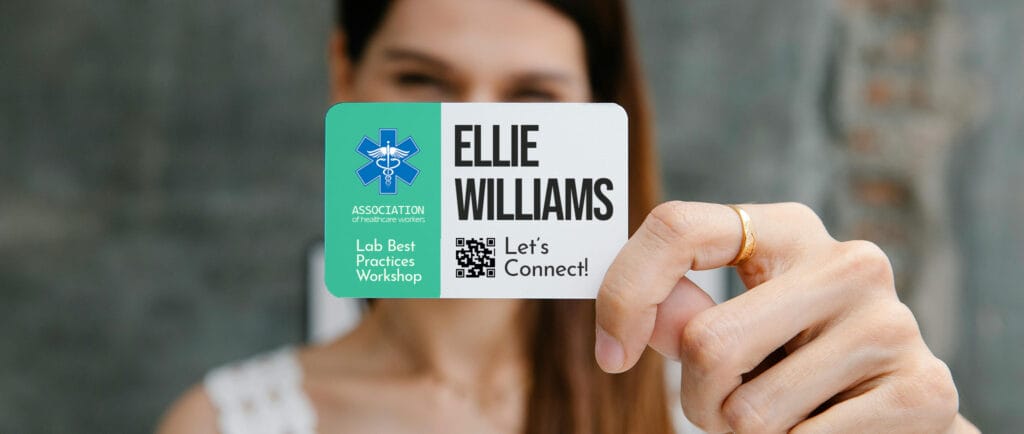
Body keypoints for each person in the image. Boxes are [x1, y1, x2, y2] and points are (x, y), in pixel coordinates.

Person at [157, 0, 979, 433]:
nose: (472, 135)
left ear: (596, 114)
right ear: (346, 76)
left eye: (531, 98)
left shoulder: (726, 403)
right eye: (423, 81)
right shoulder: (223, 424)